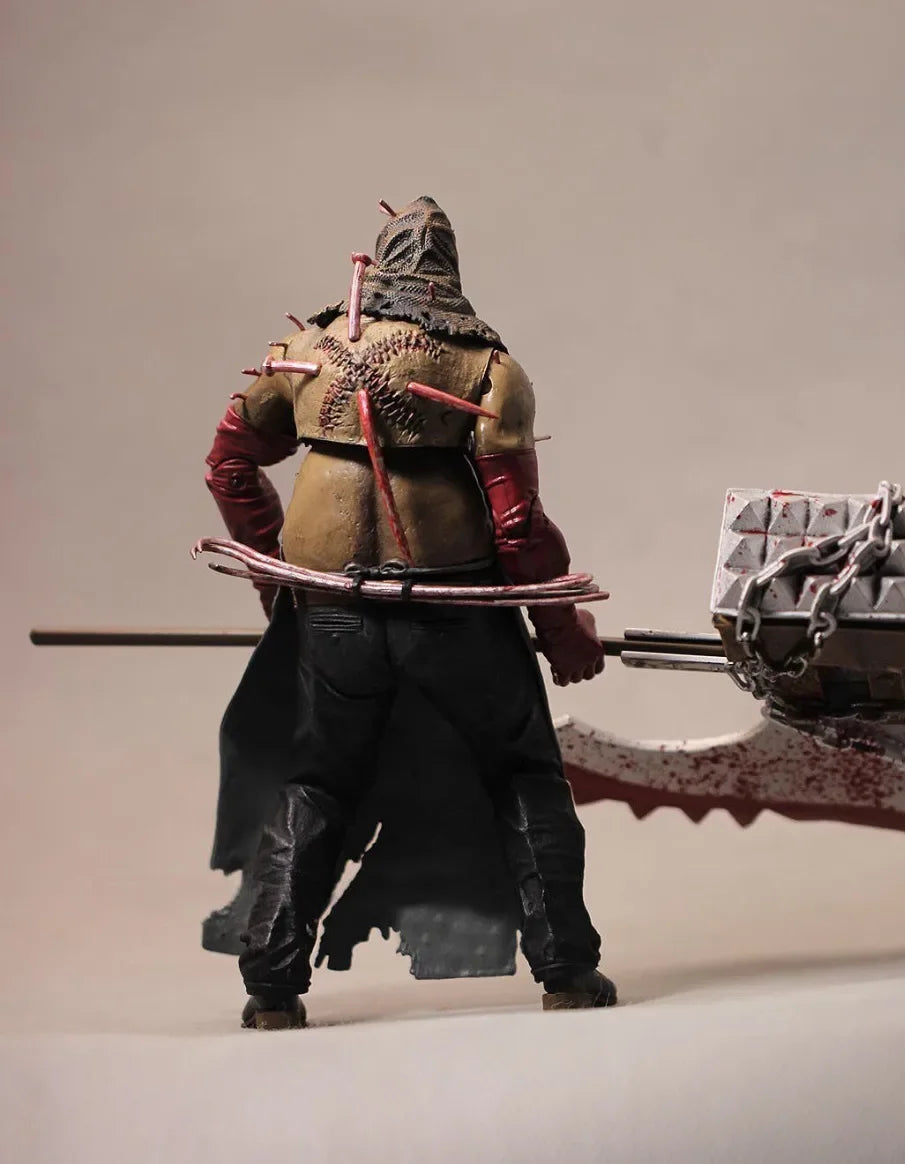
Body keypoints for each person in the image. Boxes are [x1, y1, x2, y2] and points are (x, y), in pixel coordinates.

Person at [203, 196, 615, 1029]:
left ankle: (271, 987)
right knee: (521, 772)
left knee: (319, 782)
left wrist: (281, 585)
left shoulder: (303, 354)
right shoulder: (486, 369)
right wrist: (560, 630)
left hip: (330, 614)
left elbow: (229, 465)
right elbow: (518, 528)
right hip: (452, 614)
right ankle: (568, 971)